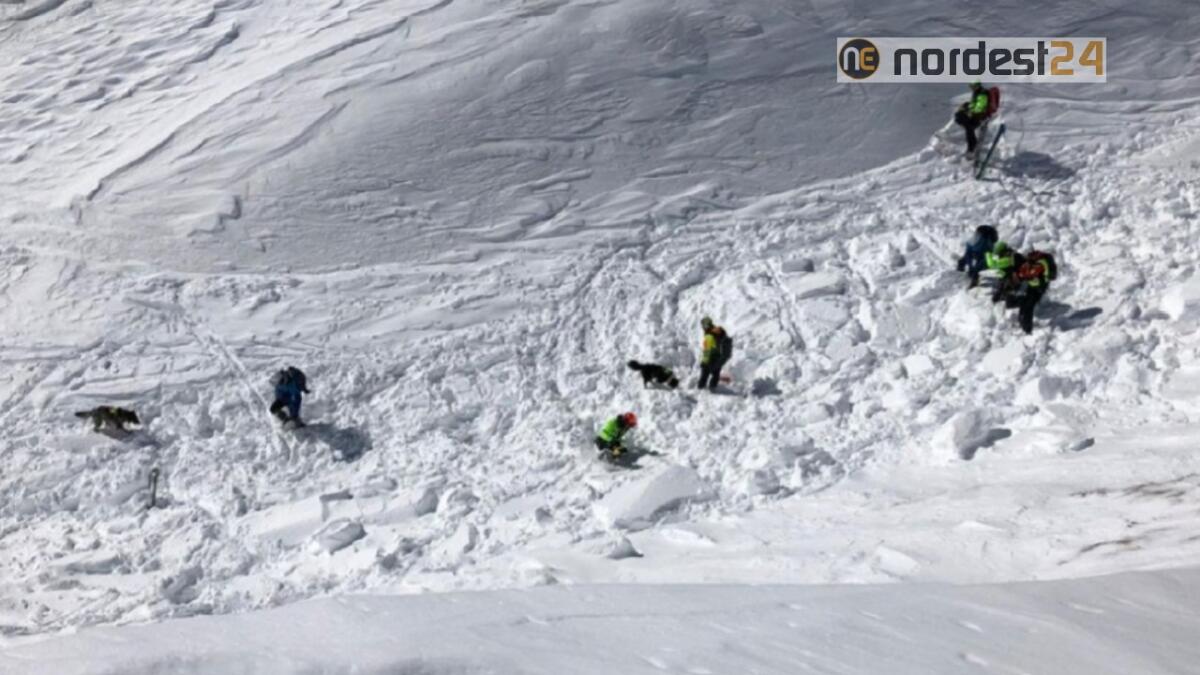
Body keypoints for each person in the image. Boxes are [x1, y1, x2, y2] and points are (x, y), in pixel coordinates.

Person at [1007, 253, 1056, 334]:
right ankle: (1024, 324)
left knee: (1028, 306)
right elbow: (1024, 271)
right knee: (1026, 305)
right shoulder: (1033, 263)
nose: (1029, 259)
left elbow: (1032, 273)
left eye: (1031, 258)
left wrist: (1021, 275)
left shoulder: (1041, 263)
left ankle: (1027, 328)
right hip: (1032, 287)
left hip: (1038, 289)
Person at [954, 81, 992, 155]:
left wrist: (969, 110)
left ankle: (972, 146)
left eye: (972, 86)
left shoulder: (982, 94)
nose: (971, 88)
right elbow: (975, 104)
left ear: (977, 86)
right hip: (976, 115)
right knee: (959, 115)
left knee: (967, 125)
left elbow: (980, 108)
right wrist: (967, 106)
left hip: (979, 117)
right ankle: (972, 144)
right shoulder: (977, 92)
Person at [697, 316, 732, 392]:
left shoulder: (709, 336)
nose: (702, 328)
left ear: (706, 325)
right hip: (719, 357)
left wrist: (704, 362)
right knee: (715, 374)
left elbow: (707, 350)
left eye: (703, 326)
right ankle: (713, 388)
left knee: (704, 375)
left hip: (710, 358)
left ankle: (700, 390)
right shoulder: (717, 331)